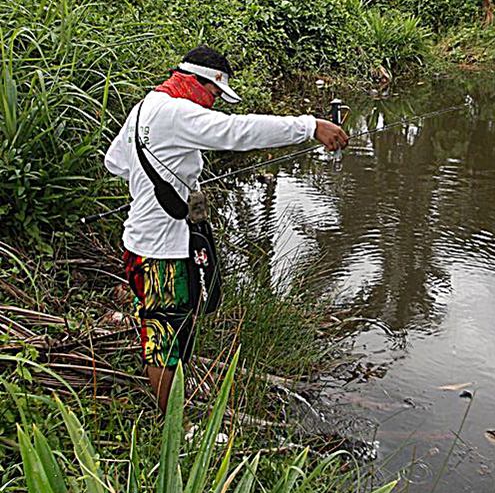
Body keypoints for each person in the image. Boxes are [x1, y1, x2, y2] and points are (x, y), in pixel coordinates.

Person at [104, 45, 348, 412]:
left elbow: (115, 163)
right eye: (215, 93)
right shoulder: (178, 112)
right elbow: (238, 131)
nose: (214, 103)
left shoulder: (145, 108)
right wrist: (309, 126)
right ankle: (173, 428)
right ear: (198, 82)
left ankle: (170, 405)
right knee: (166, 343)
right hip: (161, 253)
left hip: (141, 240)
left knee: (166, 330)